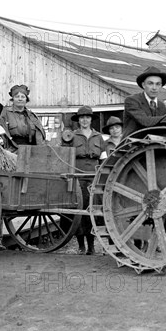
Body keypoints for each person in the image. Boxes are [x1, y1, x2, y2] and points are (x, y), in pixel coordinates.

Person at [63, 106, 106, 255]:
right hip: (77, 178)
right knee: (78, 211)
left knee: (92, 210)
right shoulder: (71, 136)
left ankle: (92, 246)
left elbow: (104, 159)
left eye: (87, 117)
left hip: (93, 177)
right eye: (82, 118)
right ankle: (81, 246)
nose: (85, 120)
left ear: (91, 120)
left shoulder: (99, 137)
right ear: (78, 120)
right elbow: (64, 156)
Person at [122, 66, 166, 138]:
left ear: (161, 86)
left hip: (152, 145)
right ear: (143, 85)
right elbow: (145, 121)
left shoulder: (161, 106)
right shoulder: (132, 100)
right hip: (131, 146)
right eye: (150, 83)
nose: (154, 88)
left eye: (157, 84)